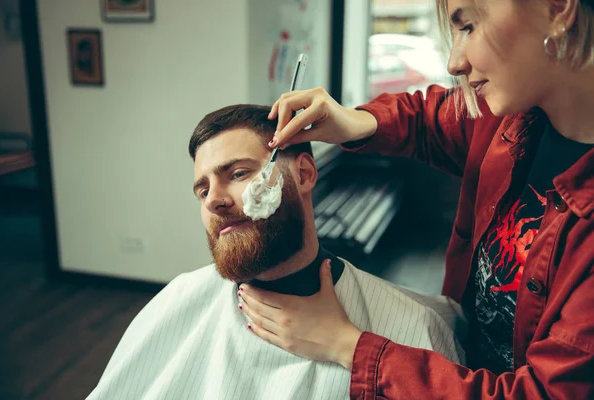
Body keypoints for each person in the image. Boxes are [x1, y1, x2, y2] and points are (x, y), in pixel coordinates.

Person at [239, 0, 594, 399]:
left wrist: (347, 346)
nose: (453, 62)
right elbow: (430, 117)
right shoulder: (514, 118)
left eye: (469, 27)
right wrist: (352, 122)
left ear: (558, 7)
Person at [86, 104, 467, 400]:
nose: (215, 200)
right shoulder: (176, 302)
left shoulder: (416, 329)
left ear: (303, 175)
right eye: (202, 190)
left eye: (237, 174)